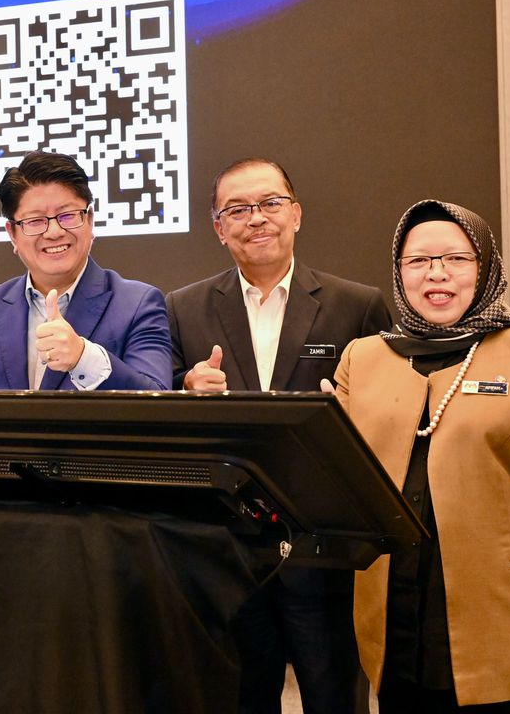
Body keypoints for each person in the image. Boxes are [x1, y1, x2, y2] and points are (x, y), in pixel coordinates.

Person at [332, 199, 510, 711]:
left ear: (485, 267)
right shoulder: (364, 357)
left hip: (508, 632)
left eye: (457, 259)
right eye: (418, 261)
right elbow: (345, 487)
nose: (436, 273)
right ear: (398, 271)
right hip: (396, 624)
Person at [166, 158, 390, 714]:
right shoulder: (183, 308)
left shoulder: (357, 305)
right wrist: (186, 387)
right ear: (218, 228)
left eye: (270, 203)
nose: (256, 218)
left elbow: (391, 415)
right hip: (228, 552)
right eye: (237, 209)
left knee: (335, 698)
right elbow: (163, 406)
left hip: (324, 551)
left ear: (296, 214)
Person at [0, 150, 171, 392]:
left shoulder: (139, 304)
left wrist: (83, 357)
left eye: (68, 215)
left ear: (90, 220)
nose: (54, 232)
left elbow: (157, 401)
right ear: (12, 234)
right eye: (35, 221)